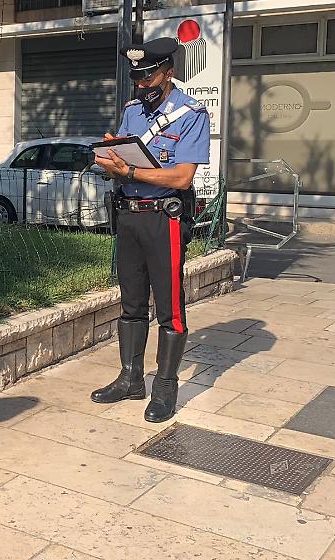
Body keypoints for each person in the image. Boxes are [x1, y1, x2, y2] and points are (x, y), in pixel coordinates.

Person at [90, 37, 211, 423]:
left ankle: (164, 387)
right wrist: (110, 155)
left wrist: (128, 170)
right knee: (131, 302)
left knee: (170, 307)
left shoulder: (191, 113)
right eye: (137, 79)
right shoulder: (132, 111)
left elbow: (181, 176)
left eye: (149, 78)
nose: (142, 86)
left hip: (165, 218)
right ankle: (130, 378)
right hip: (128, 214)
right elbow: (122, 151)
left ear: (168, 73)